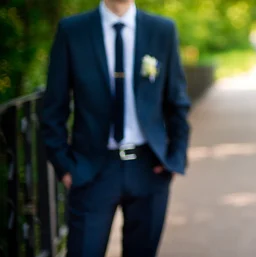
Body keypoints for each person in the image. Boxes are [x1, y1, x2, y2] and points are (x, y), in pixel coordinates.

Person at [41, 0, 190, 256]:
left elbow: (176, 102)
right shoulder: (73, 30)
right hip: (91, 170)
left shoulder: (162, 30)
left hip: (148, 168)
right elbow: (54, 107)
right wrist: (65, 166)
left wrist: (174, 158)